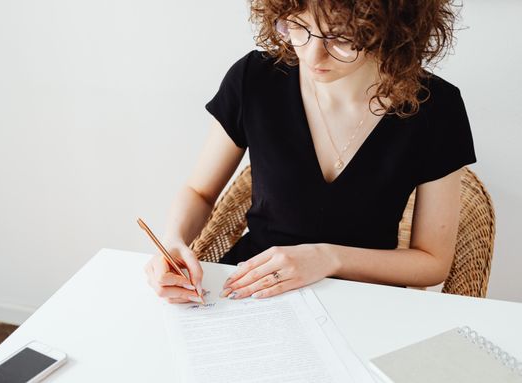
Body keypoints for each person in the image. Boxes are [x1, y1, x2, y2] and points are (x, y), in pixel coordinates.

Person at [144, 0, 476, 304]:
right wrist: (174, 241)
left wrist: (327, 258)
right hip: (249, 287)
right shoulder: (255, 78)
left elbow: (432, 262)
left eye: (341, 39)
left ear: (392, 31)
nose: (312, 56)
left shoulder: (435, 107)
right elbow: (200, 192)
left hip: (363, 300)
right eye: (299, 28)